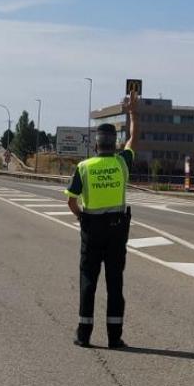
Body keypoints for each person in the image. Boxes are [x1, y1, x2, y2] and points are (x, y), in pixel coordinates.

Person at [65, 92, 138, 348]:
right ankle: (114, 338)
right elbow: (133, 139)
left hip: (91, 231)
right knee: (115, 284)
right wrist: (133, 113)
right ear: (113, 144)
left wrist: (81, 216)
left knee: (88, 281)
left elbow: (71, 200)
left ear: (96, 144)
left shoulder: (84, 167)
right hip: (117, 232)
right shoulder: (122, 163)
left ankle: (84, 335)